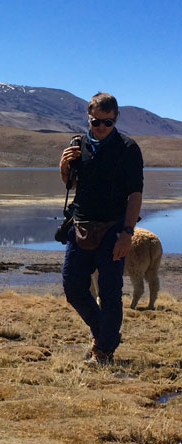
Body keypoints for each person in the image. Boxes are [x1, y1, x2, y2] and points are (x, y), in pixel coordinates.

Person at [59, 92, 143, 365]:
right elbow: (70, 185)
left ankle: (103, 351)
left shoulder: (128, 148)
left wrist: (127, 233)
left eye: (108, 123)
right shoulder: (78, 145)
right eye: (96, 122)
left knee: (109, 293)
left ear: (115, 119)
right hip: (80, 224)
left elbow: (135, 194)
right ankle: (105, 335)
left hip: (113, 228)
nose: (102, 128)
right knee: (73, 288)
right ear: (89, 117)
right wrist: (63, 166)